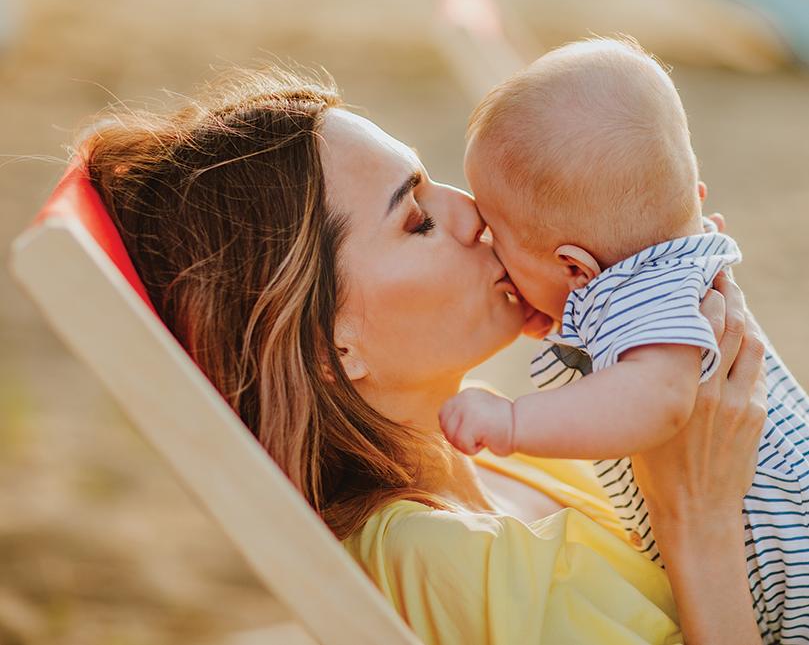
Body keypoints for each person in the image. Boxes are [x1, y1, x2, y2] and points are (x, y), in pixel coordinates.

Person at [76, 66, 767, 644]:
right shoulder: (436, 557)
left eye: (432, 181)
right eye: (418, 220)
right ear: (334, 347)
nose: (472, 213)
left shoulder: (506, 445)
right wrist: (700, 521)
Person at [440, 38, 808, 644]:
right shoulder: (668, 267)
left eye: (498, 240)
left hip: (790, 576)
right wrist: (563, 319)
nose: (489, 253)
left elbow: (657, 398)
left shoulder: (643, 292)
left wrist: (512, 421)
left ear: (576, 267)